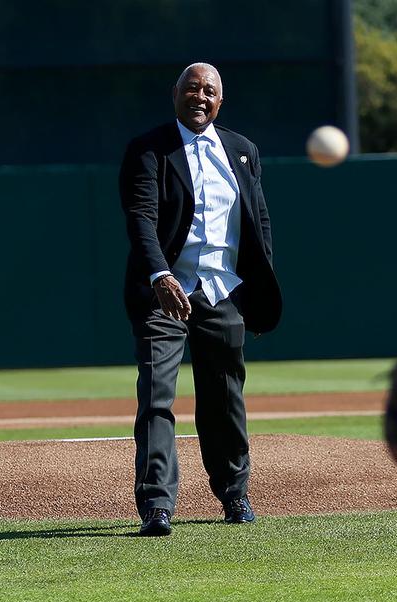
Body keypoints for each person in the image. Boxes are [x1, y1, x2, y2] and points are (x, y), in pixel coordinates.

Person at [119, 62, 281, 537]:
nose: (200, 97)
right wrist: (159, 275)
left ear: (220, 101)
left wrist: (255, 293)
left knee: (225, 398)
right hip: (164, 293)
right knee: (156, 396)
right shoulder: (149, 151)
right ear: (175, 95)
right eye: (191, 89)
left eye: (209, 91)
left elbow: (260, 222)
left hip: (222, 291)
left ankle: (234, 494)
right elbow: (141, 220)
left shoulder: (242, 151)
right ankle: (157, 505)